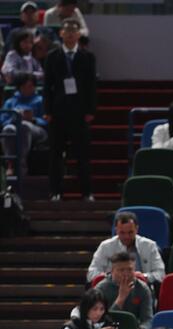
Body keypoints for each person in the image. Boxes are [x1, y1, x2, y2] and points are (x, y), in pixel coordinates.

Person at [43, 19, 94, 202]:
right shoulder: (52, 56)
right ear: (61, 34)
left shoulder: (87, 57)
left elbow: (91, 86)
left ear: (79, 34)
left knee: (83, 155)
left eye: (74, 31)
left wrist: (90, 110)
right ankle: (55, 192)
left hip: (80, 113)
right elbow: (47, 86)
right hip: (58, 112)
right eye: (67, 31)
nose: (71, 34)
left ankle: (87, 193)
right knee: (56, 155)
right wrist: (47, 110)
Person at [87, 211, 166, 286]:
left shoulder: (149, 246)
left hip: (142, 289)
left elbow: (161, 274)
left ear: (136, 229)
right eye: (122, 233)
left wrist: (142, 277)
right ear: (116, 230)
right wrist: (111, 277)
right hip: (112, 290)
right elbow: (91, 274)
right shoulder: (105, 246)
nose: (126, 237)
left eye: (130, 232)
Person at [95, 252, 154, 329]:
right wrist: (121, 298)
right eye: (121, 270)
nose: (126, 274)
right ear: (112, 271)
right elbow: (99, 320)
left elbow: (148, 319)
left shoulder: (143, 289)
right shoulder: (101, 289)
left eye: (130, 269)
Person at [1, 73, 46, 176]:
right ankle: (10, 163)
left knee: (24, 126)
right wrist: (13, 119)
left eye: (31, 86)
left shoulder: (40, 101)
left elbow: (47, 121)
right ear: (19, 87)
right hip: (15, 126)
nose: (28, 89)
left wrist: (33, 119)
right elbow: (2, 120)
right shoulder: (10, 102)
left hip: (37, 129)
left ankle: (21, 165)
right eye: (25, 86)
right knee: (8, 129)